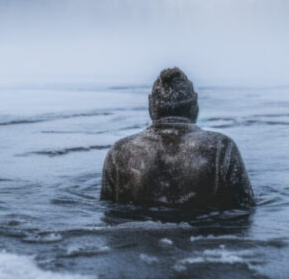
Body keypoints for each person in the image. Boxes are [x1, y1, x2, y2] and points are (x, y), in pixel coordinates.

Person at [100, 67, 255, 210]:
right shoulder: (221, 147)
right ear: (195, 104)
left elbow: (107, 211)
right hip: (205, 236)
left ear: (151, 105)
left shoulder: (120, 151)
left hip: (138, 238)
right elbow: (245, 209)